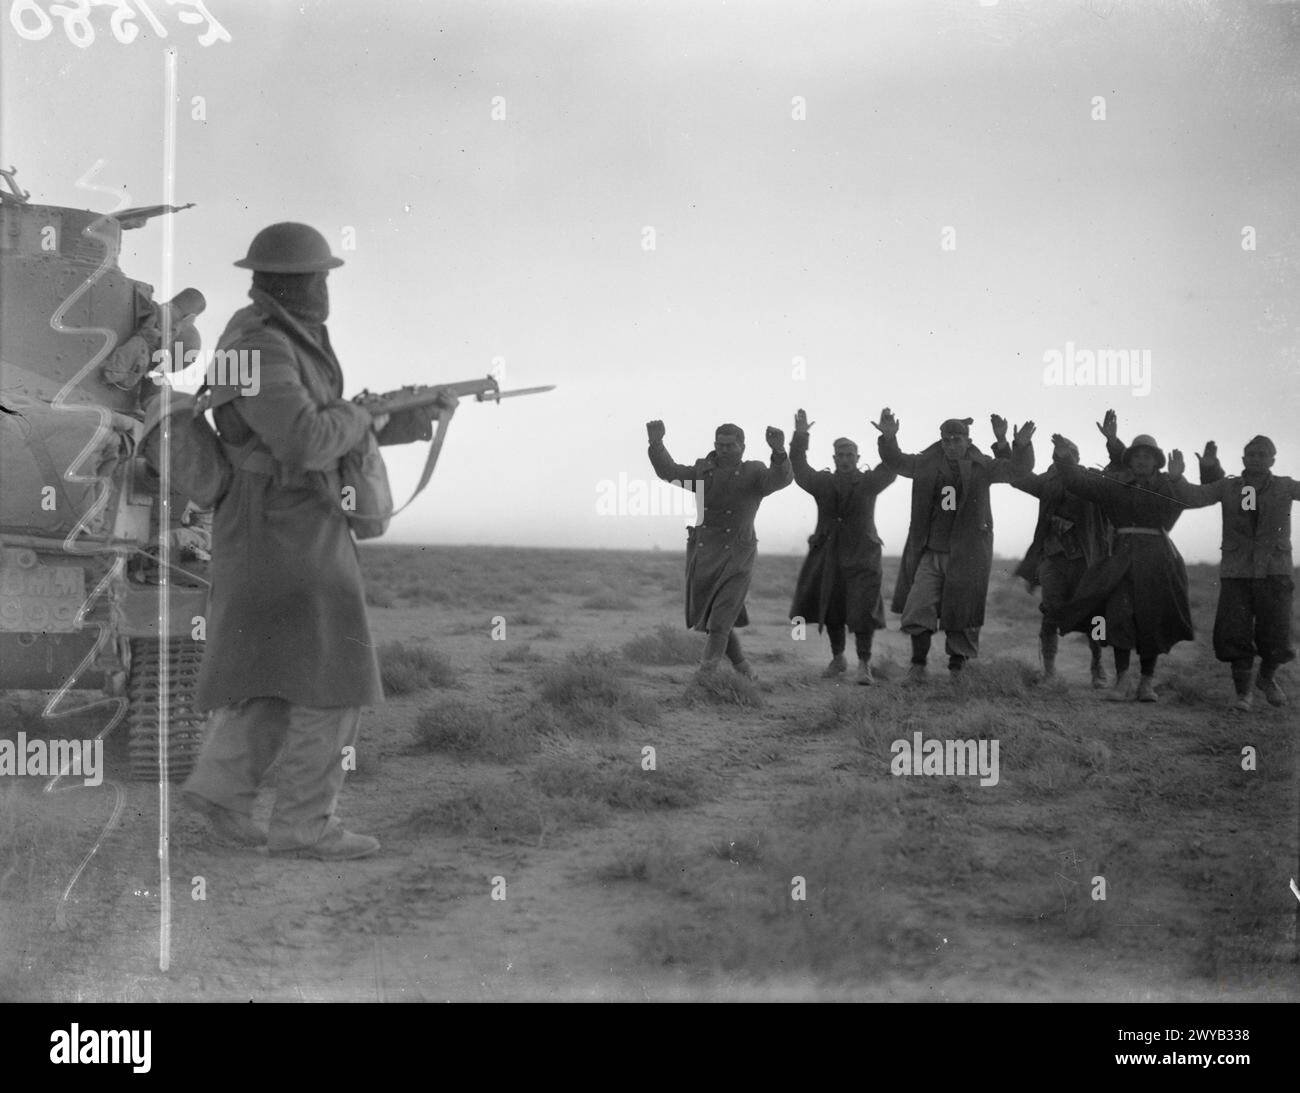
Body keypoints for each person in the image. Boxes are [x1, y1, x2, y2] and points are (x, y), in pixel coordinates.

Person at [183, 222, 445, 860]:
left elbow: (312, 429)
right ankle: (304, 827)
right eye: (320, 277)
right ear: (288, 283)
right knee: (335, 676)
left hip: (275, 528)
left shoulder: (275, 339)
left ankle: (221, 794)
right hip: (286, 532)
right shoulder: (263, 347)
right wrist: (366, 413)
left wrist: (400, 421)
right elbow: (302, 440)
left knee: (276, 670)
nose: (327, 288)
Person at [874, 409, 1035, 683]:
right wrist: (889, 437)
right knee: (919, 607)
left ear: (967, 440)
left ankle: (957, 669)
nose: (951, 445)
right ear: (941, 441)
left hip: (968, 554)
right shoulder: (925, 463)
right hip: (931, 552)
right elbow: (896, 460)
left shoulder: (982, 465)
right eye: (946, 440)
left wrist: (1013, 444)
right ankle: (918, 665)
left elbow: (1018, 470)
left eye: (957, 440)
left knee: (962, 610)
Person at [1052, 433, 1194, 702]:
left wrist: (1177, 479)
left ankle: (1146, 683)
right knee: (1119, 615)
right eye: (1137, 456)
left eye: (1148, 456)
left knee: (1150, 618)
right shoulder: (1115, 484)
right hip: (1120, 558)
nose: (1142, 461)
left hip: (1157, 560)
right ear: (1129, 460)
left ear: (1157, 461)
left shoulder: (1167, 485)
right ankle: (1122, 680)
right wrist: (1063, 457)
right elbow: (1078, 482)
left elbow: (1186, 501)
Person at [647, 419, 792, 680]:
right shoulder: (703, 473)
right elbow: (669, 471)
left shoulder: (754, 473)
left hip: (738, 556)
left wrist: (779, 452)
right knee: (713, 619)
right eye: (720, 445)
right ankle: (743, 668)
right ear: (715, 445)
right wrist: (656, 443)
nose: (725, 450)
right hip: (705, 556)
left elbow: (780, 479)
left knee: (720, 619)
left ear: (742, 447)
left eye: (731, 445)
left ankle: (705, 676)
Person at [1167, 436, 1299, 710]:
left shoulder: (1285, 486)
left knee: (1277, 633)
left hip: (1275, 571)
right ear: (1243, 459)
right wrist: (1177, 478)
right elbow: (1194, 497)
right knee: (1234, 633)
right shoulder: (1228, 487)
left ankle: (1266, 678)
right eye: (1251, 454)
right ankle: (1244, 694)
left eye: (1263, 454)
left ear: (1273, 460)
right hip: (1237, 572)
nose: (1257, 458)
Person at [1000, 412, 1118, 685]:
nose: (1060, 457)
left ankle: (1098, 666)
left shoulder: (1093, 480)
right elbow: (1017, 477)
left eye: (1066, 453)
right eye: (1057, 453)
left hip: (1088, 559)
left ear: (1075, 457)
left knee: (1095, 615)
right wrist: (1013, 447)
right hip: (1053, 559)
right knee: (1050, 612)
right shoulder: (1048, 482)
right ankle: (1050, 671)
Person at [788, 408, 896, 684]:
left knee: (863, 611)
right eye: (841, 456)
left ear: (858, 459)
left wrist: (888, 437)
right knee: (832, 608)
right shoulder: (823, 482)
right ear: (834, 459)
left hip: (863, 555)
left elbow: (891, 467)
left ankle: (864, 664)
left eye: (851, 456)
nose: (846, 460)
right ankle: (838, 659)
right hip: (829, 554)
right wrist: (801, 436)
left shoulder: (869, 482)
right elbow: (799, 470)